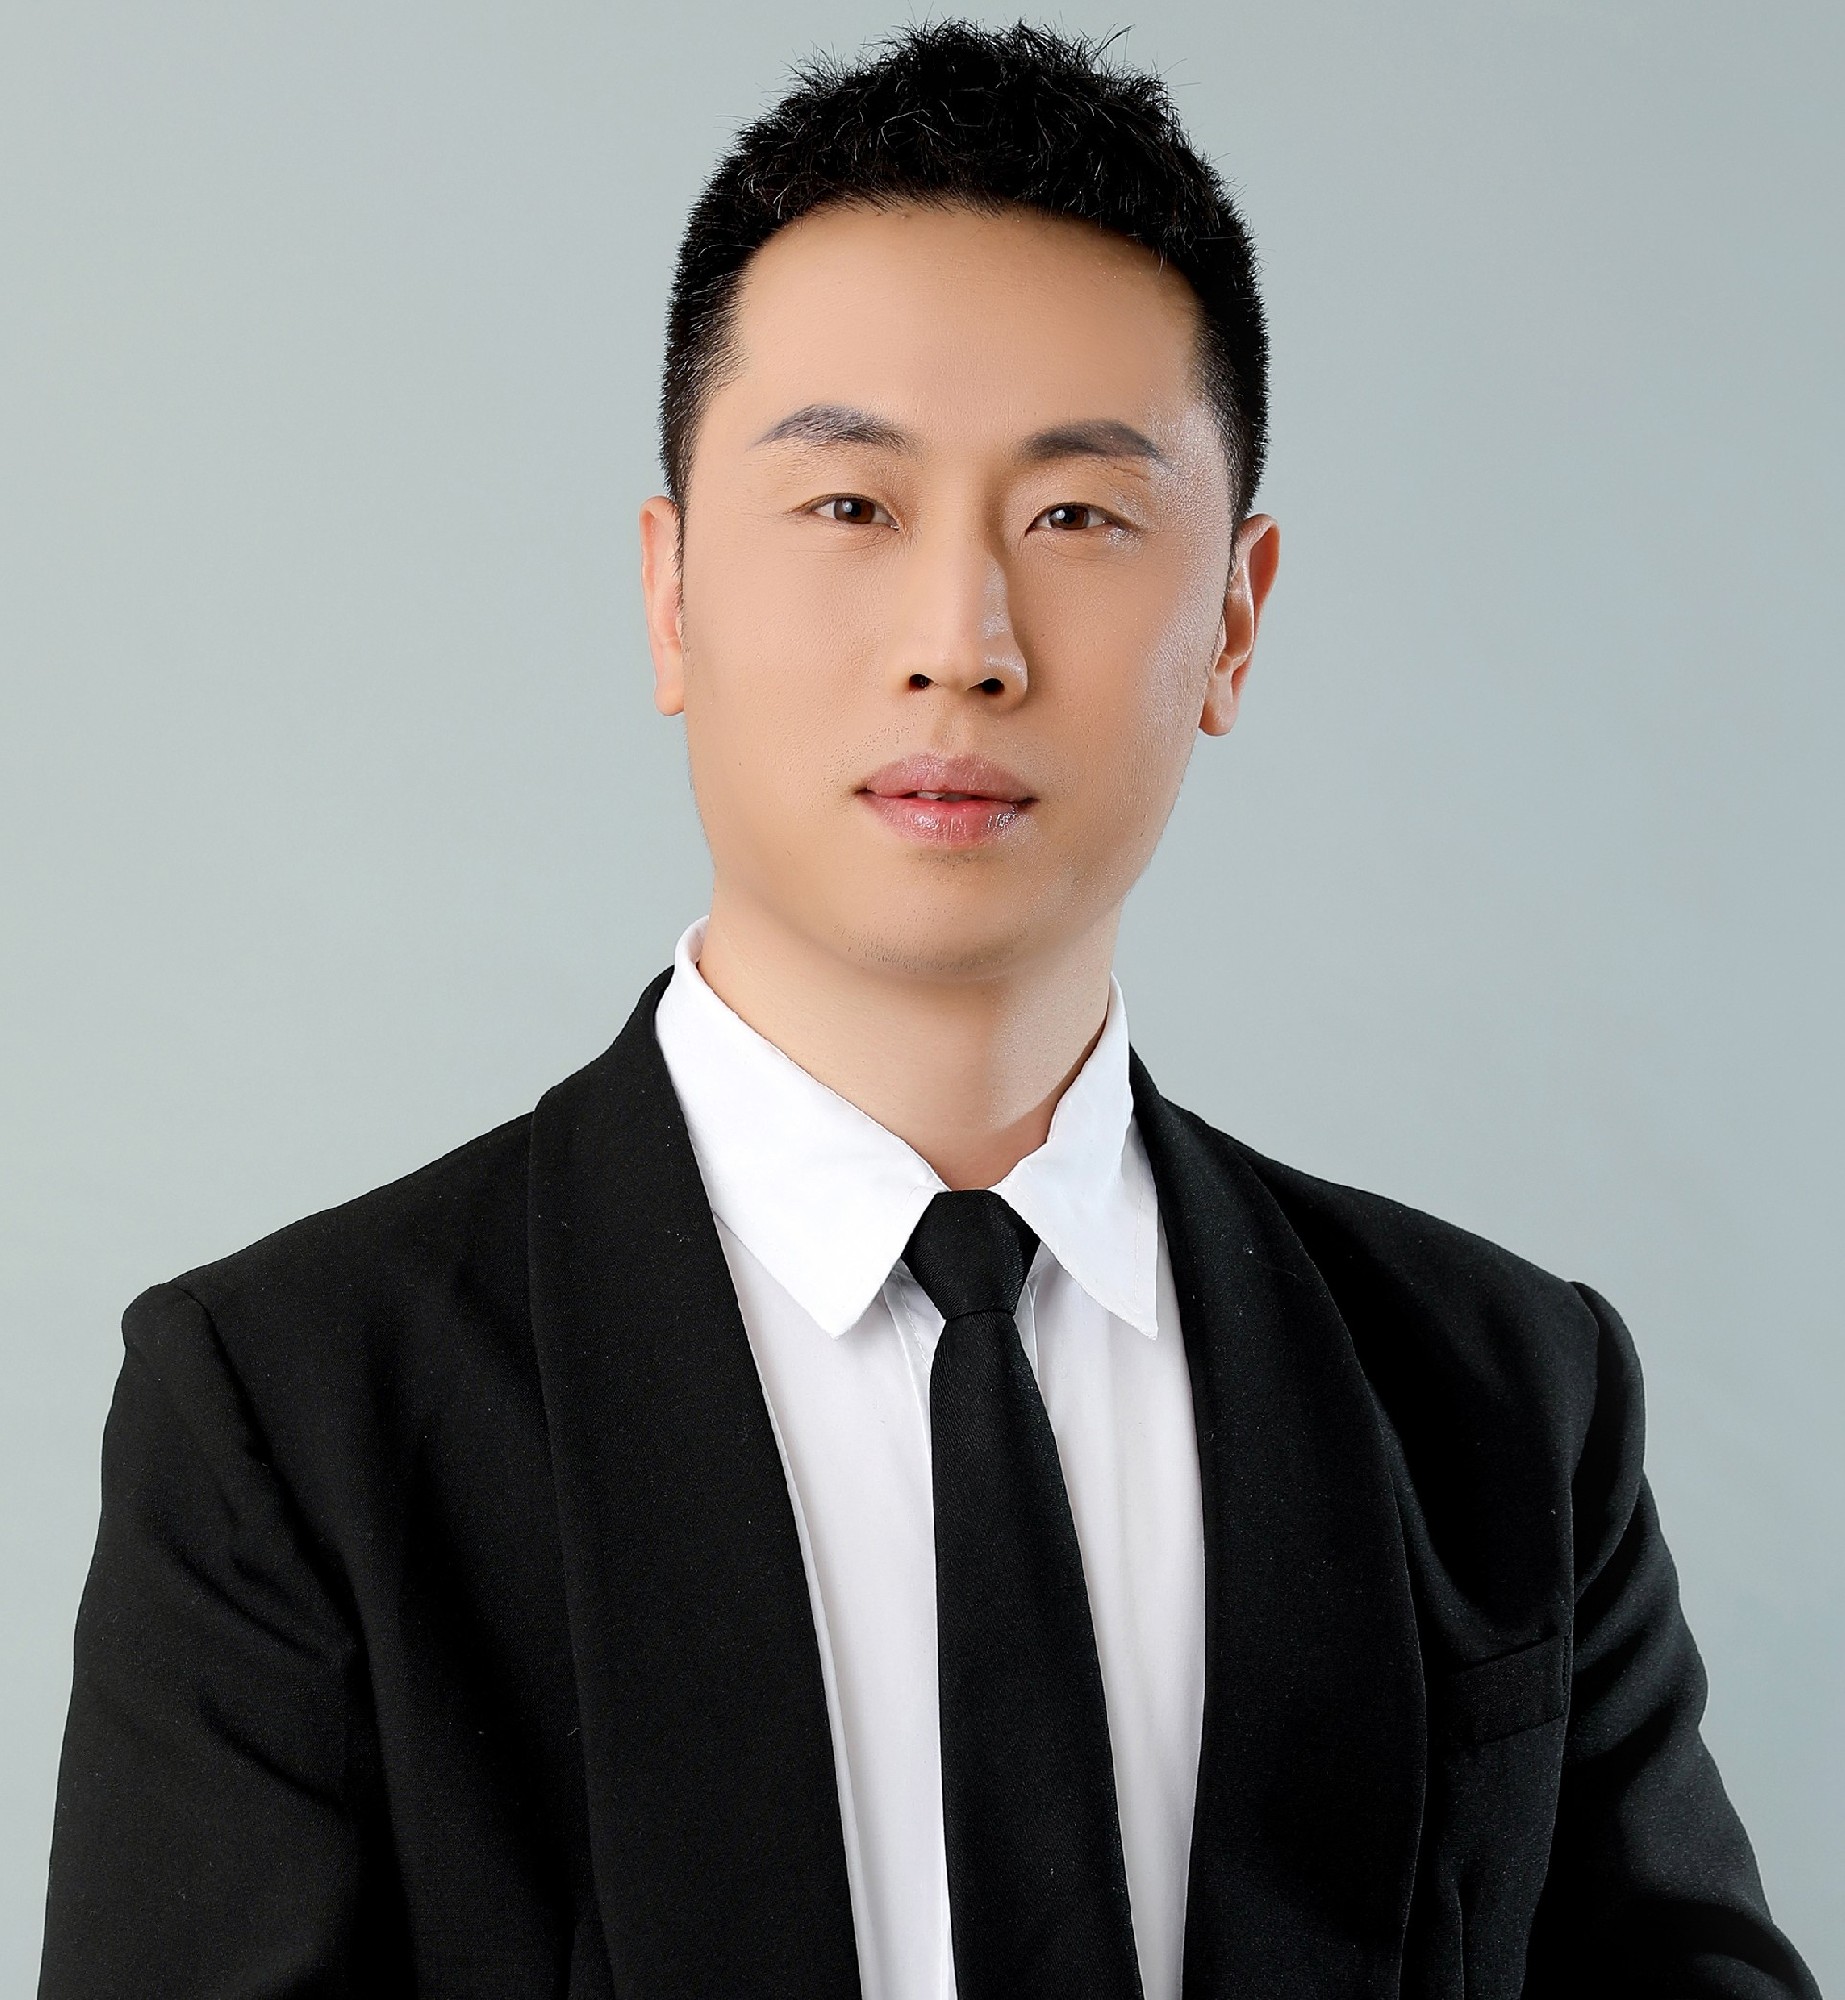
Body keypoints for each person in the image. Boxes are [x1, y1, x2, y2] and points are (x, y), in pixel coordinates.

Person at [38, 22, 1818, 2000]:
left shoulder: (1500, 1398)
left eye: (1076, 518)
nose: (959, 643)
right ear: (669, 592)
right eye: (848, 505)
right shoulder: (291, 1412)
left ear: (1233, 617)